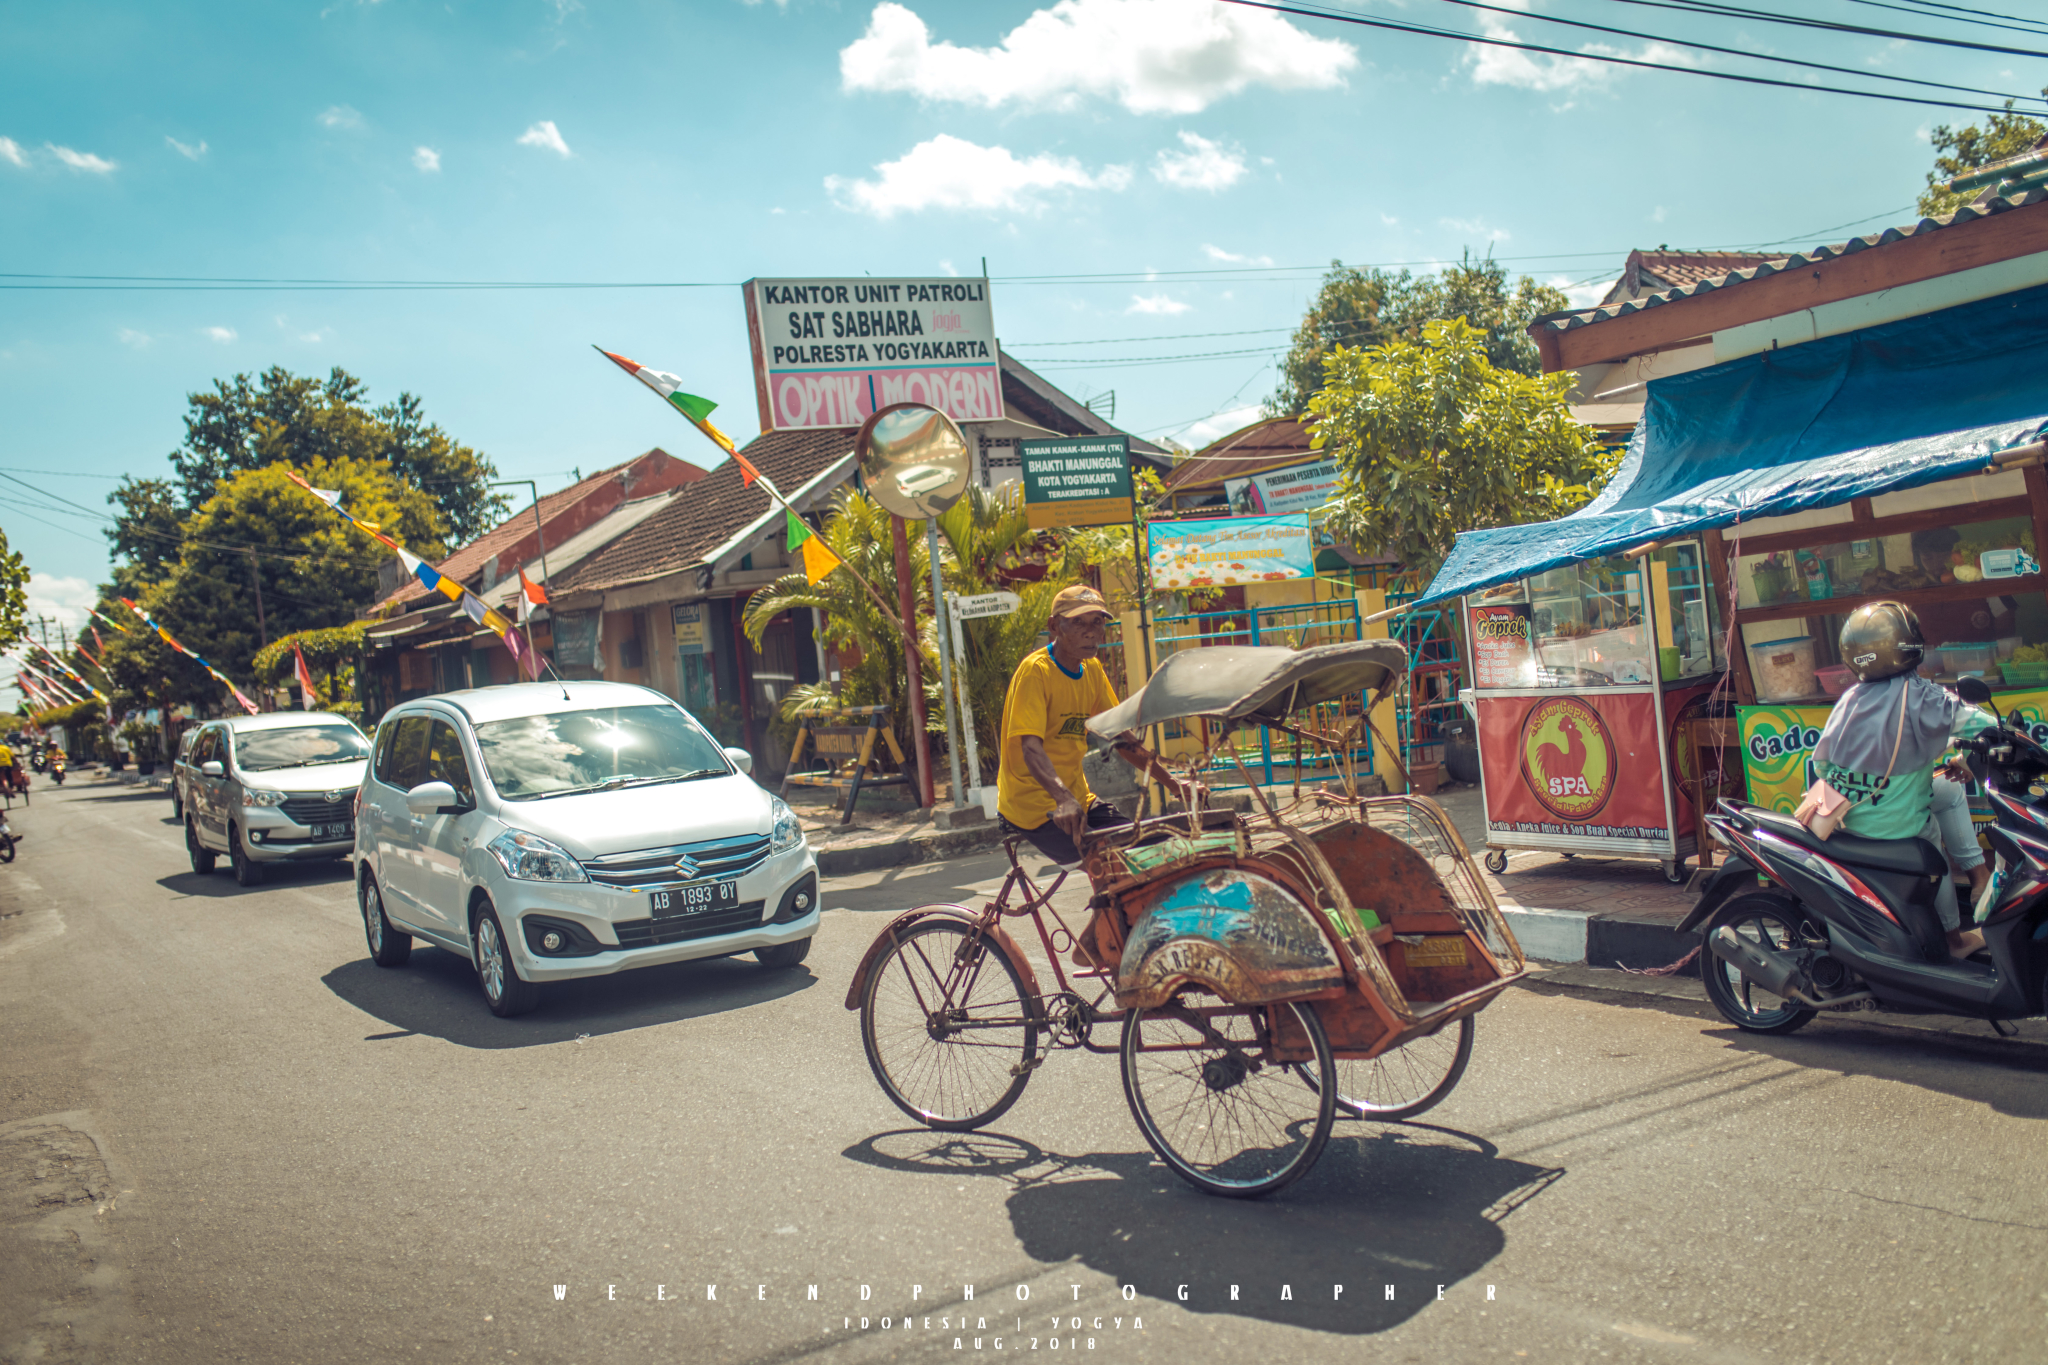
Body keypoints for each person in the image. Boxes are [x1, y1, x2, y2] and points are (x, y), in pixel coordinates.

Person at [1813, 601, 1997, 957]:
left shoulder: (1849, 699)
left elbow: (1821, 768)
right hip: (1895, 829)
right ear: (1910, 644)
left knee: (1947, 790)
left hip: (1844, 817)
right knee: (1931, 845)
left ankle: (1979, 878)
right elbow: (1987, 727)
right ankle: (1953, 940)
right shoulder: (1926, 697)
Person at [995, 584, 1180, 866]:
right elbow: (1030, 748)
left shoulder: (1091, 669)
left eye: (1097, 622)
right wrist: (1063, 798)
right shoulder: (1037, 671)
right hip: (1032, 805)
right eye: (1077, 622)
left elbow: (1121, 737)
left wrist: (1175, 784)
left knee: (1149, 849)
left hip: (1077, 799)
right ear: (1054, 626)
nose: (1090, 631)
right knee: (1110, 866)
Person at [1908, 527, 2018, 647]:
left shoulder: (1985, 583)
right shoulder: (1912, 592)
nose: (1936, 564)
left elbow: (2006, 632)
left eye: (1943, 555)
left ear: (1957, 554)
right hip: (1930, 665)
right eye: (1927, 558)